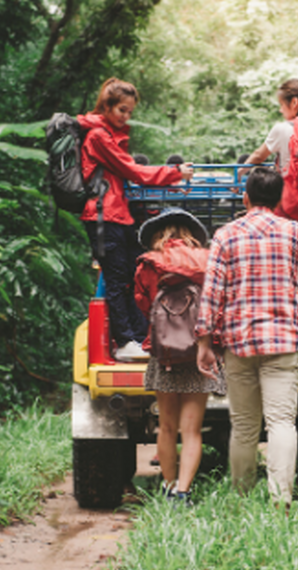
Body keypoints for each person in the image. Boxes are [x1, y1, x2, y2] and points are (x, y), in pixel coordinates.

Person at [195, 167, 298, 504]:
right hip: (286, 340)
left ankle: (242, 498)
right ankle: (280, 498)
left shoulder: (226, 235)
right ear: (280, 199)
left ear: (245, 198)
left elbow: (212, 293)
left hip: (239, 343)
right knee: (282, 422)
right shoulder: (295, 232)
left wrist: (204, 342)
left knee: (243, 425)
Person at [78, 77, 194, 362]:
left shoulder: (107, 134)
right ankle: (125, 341)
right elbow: (133, 171)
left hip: (116, 214)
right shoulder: (98, 137)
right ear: (106, 106)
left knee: (129, 273)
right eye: (122, 110)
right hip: (104, 216)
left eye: (130, 111)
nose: (126, 116)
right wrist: (174, 173)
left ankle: (138, 336)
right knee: (117, 280)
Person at [135, 208, 226, 505]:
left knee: (167, 425)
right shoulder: (206, 259)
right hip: (199, 351)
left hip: (164, 354)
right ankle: (183, 493)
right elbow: (217, 302)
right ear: (190, 233)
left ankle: (168, 485)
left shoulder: (149, 263)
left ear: (159, 234)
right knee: (192, 429)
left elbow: (143, 303)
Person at [241, 78, 298, 249]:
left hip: (289, 206)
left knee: (284, 254)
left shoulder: (284, 129)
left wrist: (238, 173)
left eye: (282, 104)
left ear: (294, 103)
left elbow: (259, 156)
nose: (281, 110)